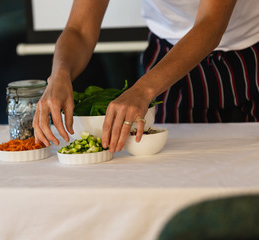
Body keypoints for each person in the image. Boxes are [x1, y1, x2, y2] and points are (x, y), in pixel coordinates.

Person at [32, 0, 259, 153]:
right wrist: (60, 74)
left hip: (249, 50)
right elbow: (80, 29)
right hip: (169, 53)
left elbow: (211, 24)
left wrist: (144, 89)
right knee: (176, 162)